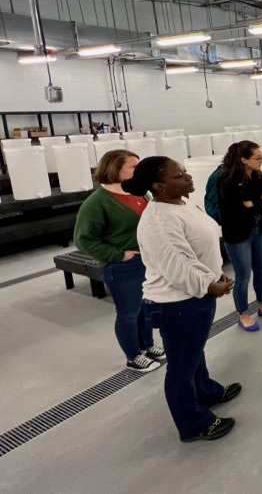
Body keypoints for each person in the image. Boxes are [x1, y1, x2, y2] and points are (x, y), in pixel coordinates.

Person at [123, 156, 240, 442]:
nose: (188, 178)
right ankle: (194, 424)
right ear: (159, 186)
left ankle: (206, 391)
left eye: (186, 172)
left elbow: (197, 249)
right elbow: (177, 264)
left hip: (194, 296)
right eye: (180, 175)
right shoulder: (159, 221)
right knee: (181, 366)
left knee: (194, 351)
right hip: (176, 303)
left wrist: (214, 276)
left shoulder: (182, 203)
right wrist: (209, 284)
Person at [75, 150, 164, 373]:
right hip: (122, 266)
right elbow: (83, 240)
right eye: (133, 167)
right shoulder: (97, 202)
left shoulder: (140, 193)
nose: (138, 171)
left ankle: (147, 345)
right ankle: (133, 355)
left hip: (146, 261)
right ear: (115, 170)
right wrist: (118, 254)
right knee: (128, 312)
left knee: (145, 307)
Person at [218, 141, 262, 332]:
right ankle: (243, 314)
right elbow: (235, 208)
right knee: (243, 276)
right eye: (258, 157)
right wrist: (257, 201)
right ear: (243, 159)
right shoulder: (227, 179)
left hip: (258, 229)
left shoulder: (258, 176)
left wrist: (251, 204)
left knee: (261, 270)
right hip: (238, 234)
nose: (261, 160)